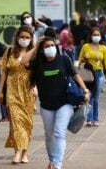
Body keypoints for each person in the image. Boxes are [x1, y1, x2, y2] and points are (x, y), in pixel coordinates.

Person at [20, 36, 90, 169]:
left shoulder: (64, 59)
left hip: (65, 103)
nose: (50, 48)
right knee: (49, 134)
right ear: (42, 49)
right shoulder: (38, 62)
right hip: (46, 105)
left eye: (52, 45)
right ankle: (52, 160)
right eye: (46, 46)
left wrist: (85, 90)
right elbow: (23, 62)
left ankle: (57, 164)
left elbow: (75, 75)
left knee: (59, 132)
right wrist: (36, 47)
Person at [0, 25, 35, 164]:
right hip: (12, 91)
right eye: (22, 37)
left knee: (27, 123)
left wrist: (35, 87)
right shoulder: (9, 52)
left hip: (27, 90)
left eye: (27, 37)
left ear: (31, 39)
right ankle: (17, 152)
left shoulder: (34, 53)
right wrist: (0, 91)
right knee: (15, 122)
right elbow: (4, 73)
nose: (24, 39)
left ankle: (25, 153)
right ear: (17, 37)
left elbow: (37, 72)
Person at [79, 27, 106, 126]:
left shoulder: (103, 48)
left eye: (98, 35)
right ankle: (89, 119)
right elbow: (80, 60)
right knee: (89, 96)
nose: (96, 37)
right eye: (94, 35)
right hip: (88, 74)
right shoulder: (86, 46)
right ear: (91, 36)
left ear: (101, 37)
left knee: (96, 97)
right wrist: (84, 58)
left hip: (99, 74)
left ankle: (95, 118)